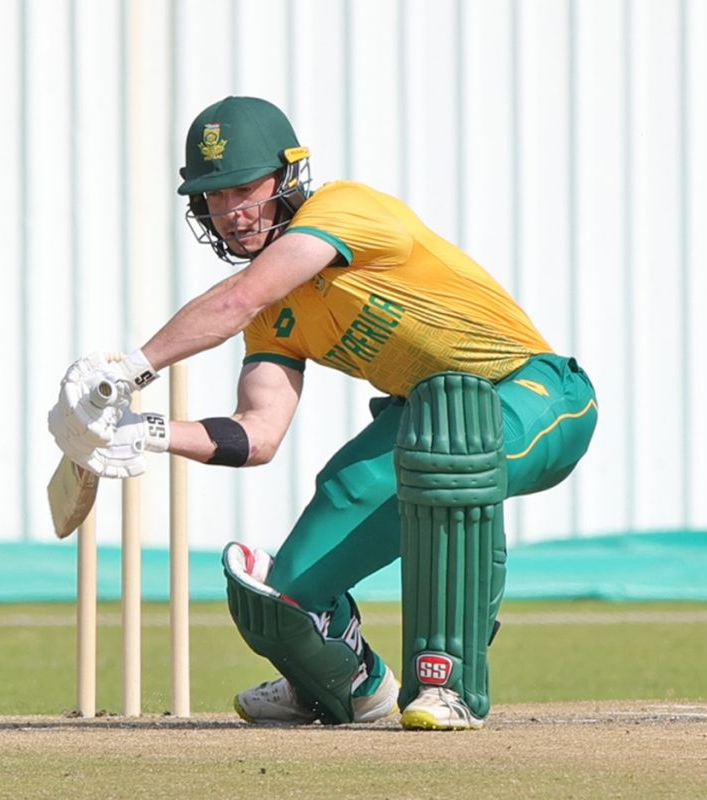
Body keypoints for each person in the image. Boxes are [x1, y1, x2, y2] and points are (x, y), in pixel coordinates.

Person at [48, 96, 598, 730]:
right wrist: (144, 431)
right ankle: (347, 686)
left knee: (452, 453)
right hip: (420, 421)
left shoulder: (345, 209)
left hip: (538, 394)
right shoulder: (270, 320)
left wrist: (129, 369)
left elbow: (241, 296)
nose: (229, 213)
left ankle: (449, 684)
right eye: (214, 198)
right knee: (286, 598)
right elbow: (257, 435)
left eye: (242, 189)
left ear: (288, 177)